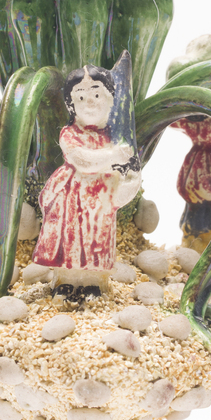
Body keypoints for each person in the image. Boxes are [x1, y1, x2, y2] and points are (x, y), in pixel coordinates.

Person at [32, 65, 140, 299]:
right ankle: (65, 281)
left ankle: (93, 282)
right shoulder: (69, 134)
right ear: (71, 105)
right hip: (72, 196)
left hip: (101, 200)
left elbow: (127, 170)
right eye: (80, 97)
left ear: (111, 100)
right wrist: (113, 156)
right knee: (70, 239)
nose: (89, 102)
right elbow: (82, 161)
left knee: (97, 239)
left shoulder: (114, 137)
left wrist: (130, 180)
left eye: (97, 95)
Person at [166, 34, 211, 252]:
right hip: (196, 184)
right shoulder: (198, 125)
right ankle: (193, 249)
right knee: (195, 216)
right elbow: (173, 122)